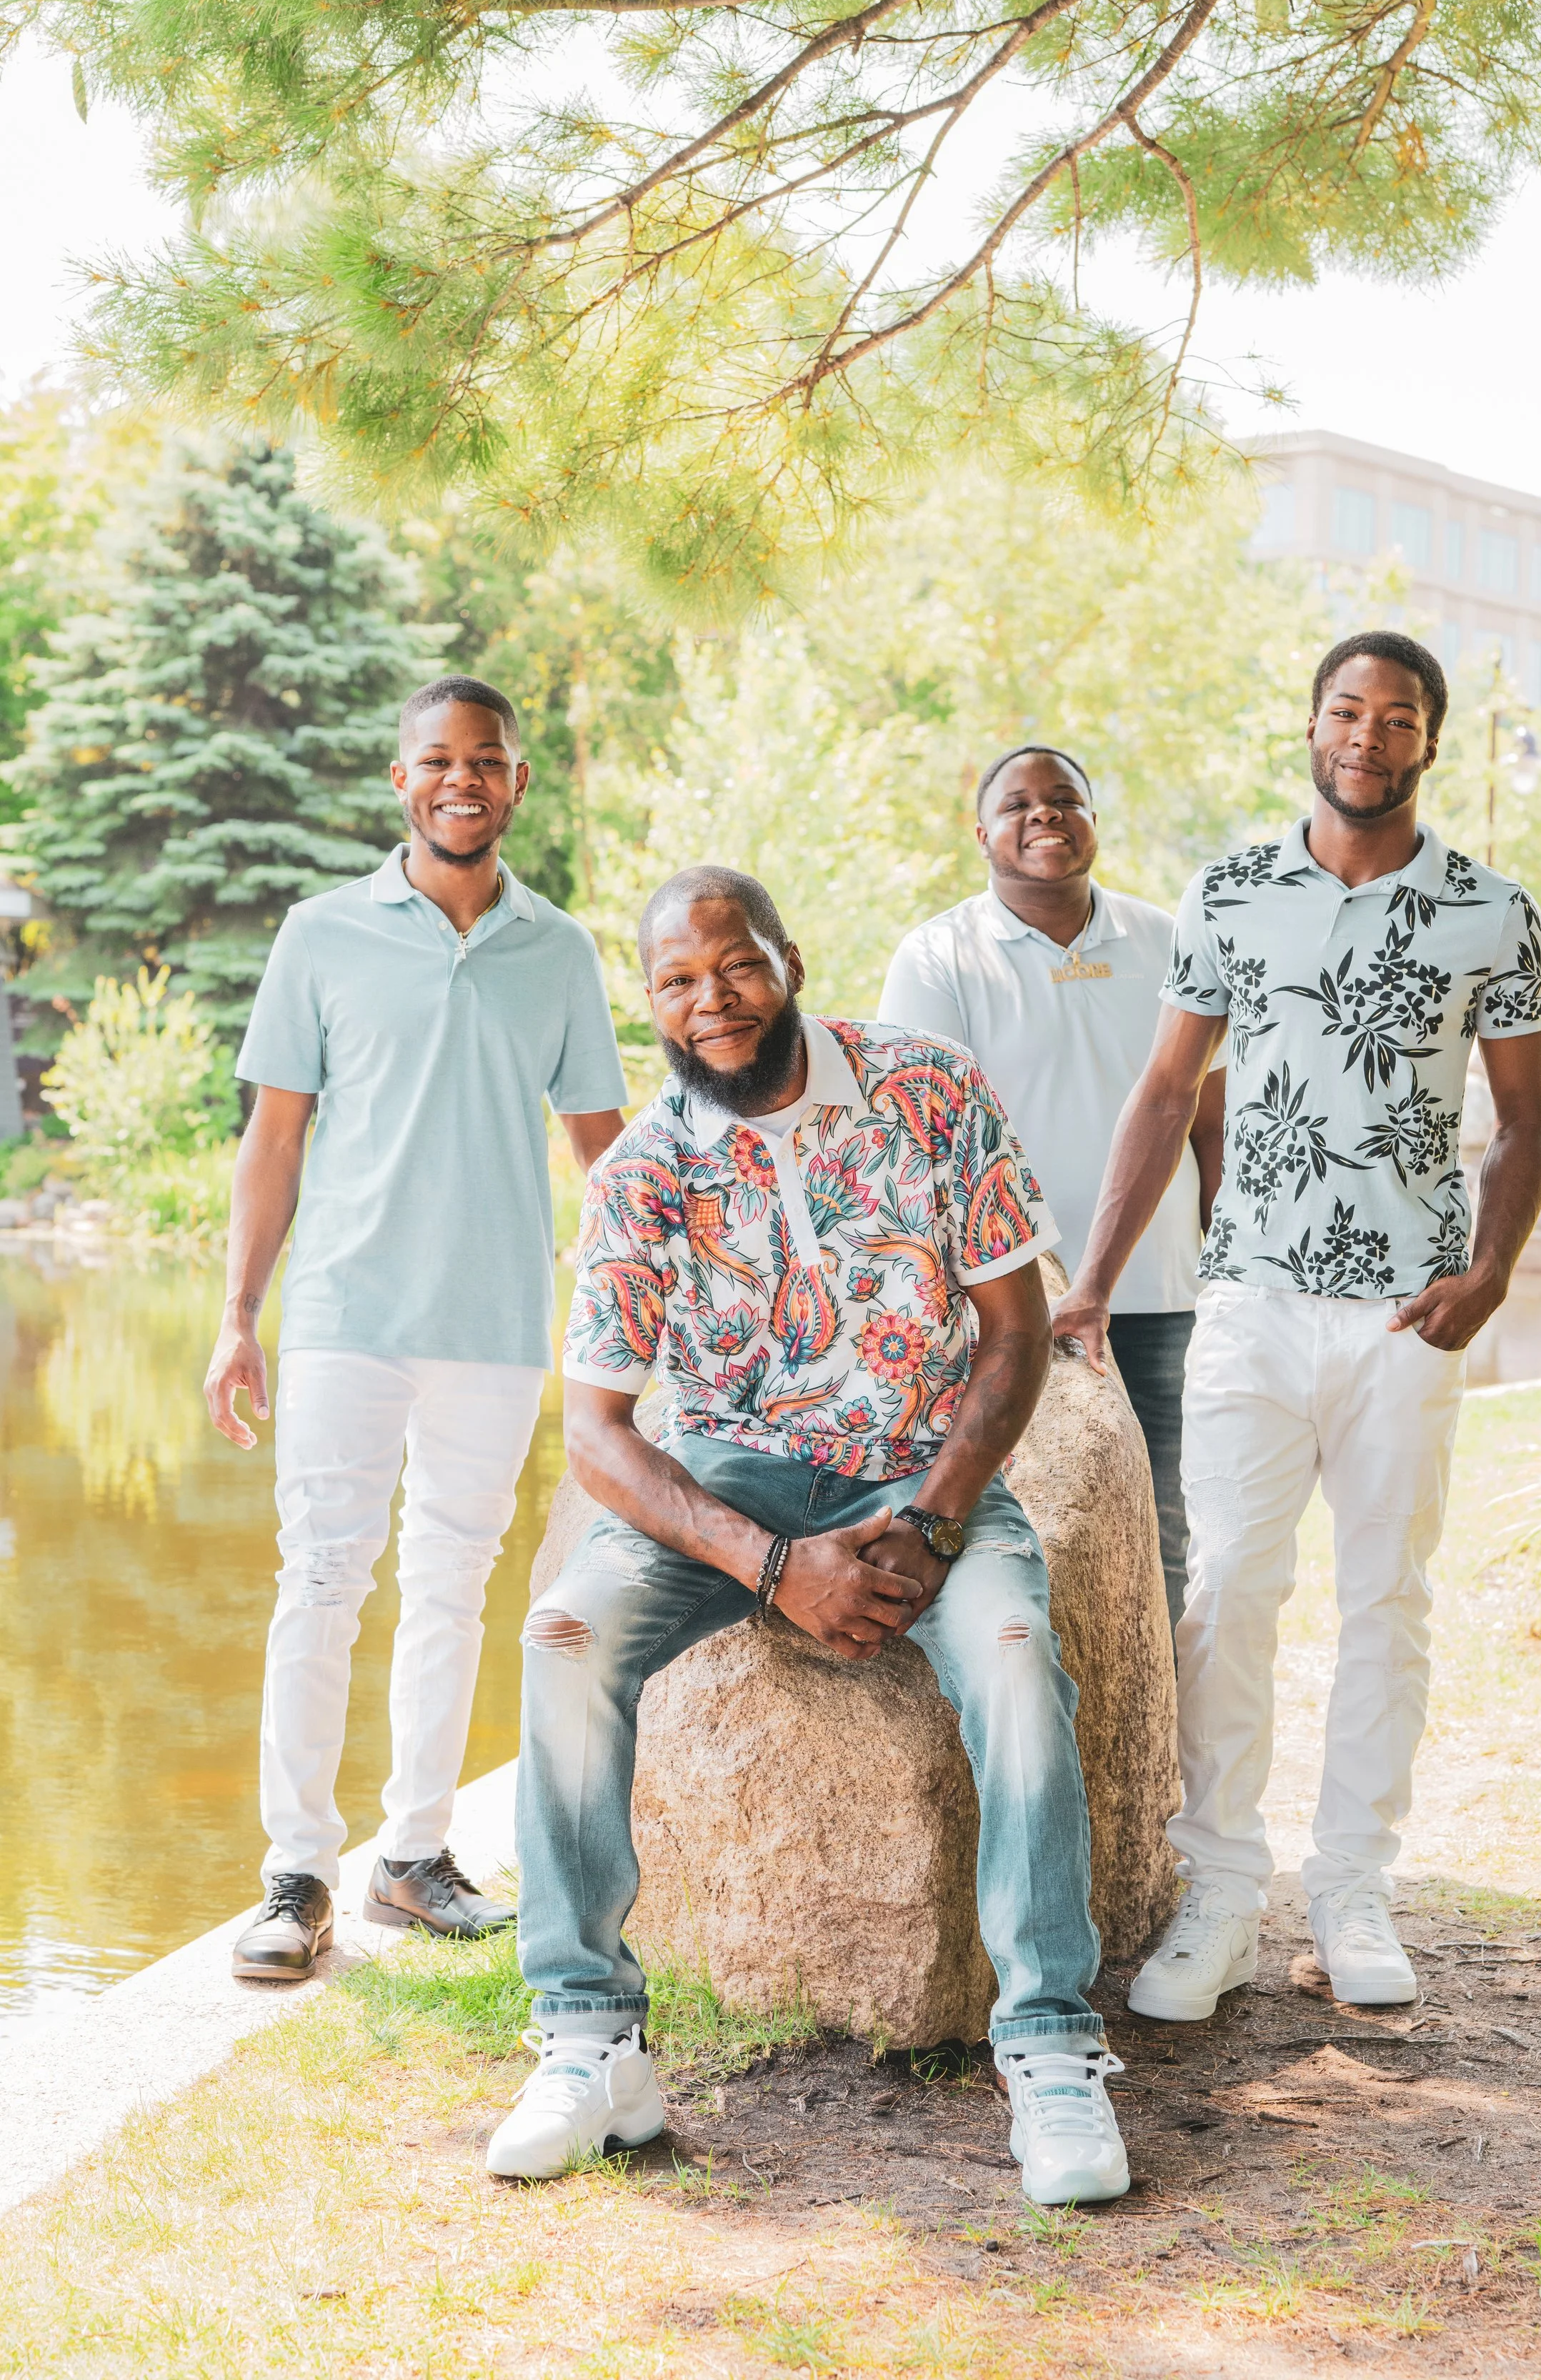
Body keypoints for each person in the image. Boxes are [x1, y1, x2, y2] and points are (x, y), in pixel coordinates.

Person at [487, 866, 1130, 2206]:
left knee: (1014, 1649)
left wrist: (939, 1519)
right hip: (733, 1474)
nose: (709, 1002)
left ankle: (1053, 2051)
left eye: (734, 967)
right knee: (560, 1633)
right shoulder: (645, 1171)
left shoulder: (928, 1087)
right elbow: (601, 1434)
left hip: (920, 1463)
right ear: (649, 1005)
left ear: (788, 957)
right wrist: (775, 1569)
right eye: (676, 983)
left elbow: (1014, 1335)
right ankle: (590, 2038)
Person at [1053, 632, 1541, 2016]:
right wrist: (1090, 1279)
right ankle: (1217, 1882)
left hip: (1408, 1314)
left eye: (1397, 717)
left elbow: (1520, 1129)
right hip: (1253, 1302)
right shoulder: (1228, 892)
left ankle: (1349, 1886)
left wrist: (1491, 1270)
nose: (1366, 735)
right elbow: (1162, 1095)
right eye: (1346, 708)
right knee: (1224, 1589)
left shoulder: (1490, 913)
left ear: (1428, 742)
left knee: (1386, 1593)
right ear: (1311, 722)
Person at [206, 675, 629, 1983]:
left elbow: (606, 1157)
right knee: (321, 1584)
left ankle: (412, 1854)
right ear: (401, 780)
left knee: (453, 1589)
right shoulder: (320, 935)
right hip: (343, 1315)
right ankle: (293, 1876)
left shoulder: (558, 949)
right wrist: (238, 1317)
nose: (463, 780)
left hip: (496, 1325)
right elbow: (273, 1140)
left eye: (487, 761)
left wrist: (670, 1306)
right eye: (437, 760)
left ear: (515, 783)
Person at [877, 744, 1225, 1634]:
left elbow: (1209, 1114)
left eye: (1065, 798)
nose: (1044, 815)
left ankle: (1157, 1744)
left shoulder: (1167, 938)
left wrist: (1220, 1262)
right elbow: (920, 1142)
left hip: (1156, 1294)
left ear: (1094, 821)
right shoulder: (939, 955)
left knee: (1162, 1521)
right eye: (1019, 803)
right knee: (1012, 1513)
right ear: (981, 831)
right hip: (1005, 1307)